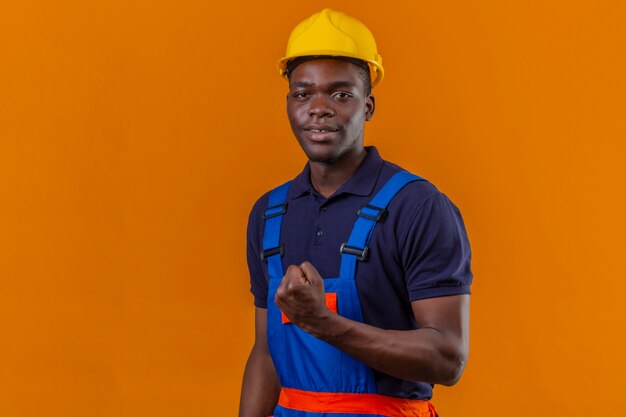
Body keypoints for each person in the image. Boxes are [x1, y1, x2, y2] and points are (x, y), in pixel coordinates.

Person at [239, 8, 472, 417]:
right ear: (288, 103)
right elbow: (265, 353)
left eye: (341, 94)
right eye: (303, 93)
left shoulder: (417, 208)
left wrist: (323, 322)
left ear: (368, 106)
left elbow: (447, 358)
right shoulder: (269, 214)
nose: (319, 108)